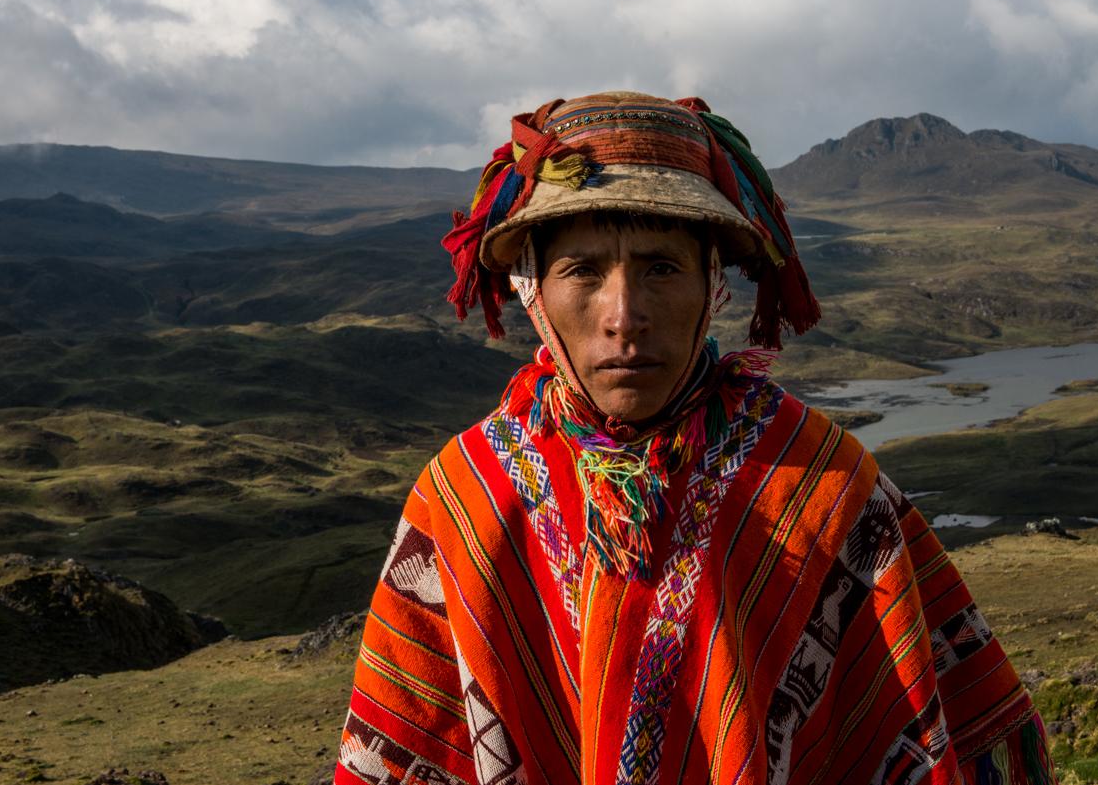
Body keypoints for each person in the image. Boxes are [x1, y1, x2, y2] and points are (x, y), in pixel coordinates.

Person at [334, 92, 1056, 785]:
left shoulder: (825, 485)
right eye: (583, 270)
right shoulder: (466, 495)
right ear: (535, 292)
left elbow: (942, 726)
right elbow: (408, 738)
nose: (624, 314)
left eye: (661, 267)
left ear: (712, 281)